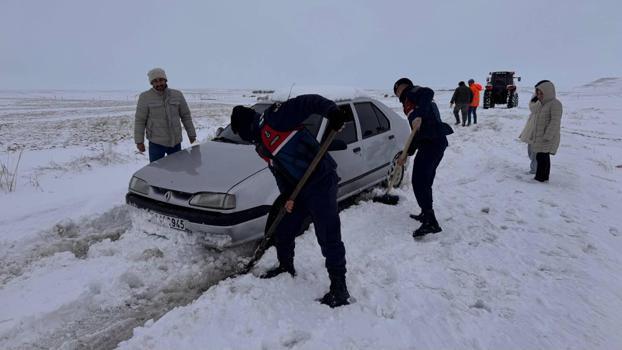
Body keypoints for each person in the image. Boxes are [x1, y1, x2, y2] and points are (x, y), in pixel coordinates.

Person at [230, 94, 350, 308]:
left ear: (247, 126)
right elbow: (278, 171)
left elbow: (308, 102)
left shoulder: (276, 118)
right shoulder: (260, 145)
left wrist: (331, 111)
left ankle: (339, 288)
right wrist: (287, 197)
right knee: (284, 229)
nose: (245, 139)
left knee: (328, 235)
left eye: (242, 134)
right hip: (298, 189)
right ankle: (285, 266)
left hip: (321, 181)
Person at [394, 78, 450, 238]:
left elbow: (428, 92)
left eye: (396, 89)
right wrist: (407, 153)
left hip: (433, 142)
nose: (397, 93)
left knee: (419, 181)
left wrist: (418, 114)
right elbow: (416, 133)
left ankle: (431, 222)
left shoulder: (413, 92)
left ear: (402, 87)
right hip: (432, 142)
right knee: (425, 181)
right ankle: (426, 213)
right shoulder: (409, 102)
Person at [134, 67, 196, 162]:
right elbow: (140, 120)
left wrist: (191, 134)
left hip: (175, 143)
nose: (159, 83)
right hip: (156, 144)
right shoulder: (145, 97)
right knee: (157, 172)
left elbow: (186, 116)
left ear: (165, 80)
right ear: (151, 83)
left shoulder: (177, 95)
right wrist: (139, 141)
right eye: (155, 81)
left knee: (177, 169)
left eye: (161, 80)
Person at [519, 80, 562, 182]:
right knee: (541, 157)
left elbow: (555, 122)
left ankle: (540, 178)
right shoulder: (542, 104)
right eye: (537, 93)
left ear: (548, 92)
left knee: (543, 158)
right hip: (540, 136)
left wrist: (547, 136)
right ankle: (542, 177)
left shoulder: (555, 104)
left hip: (547, 137)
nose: (539, 95)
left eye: (541, 93)